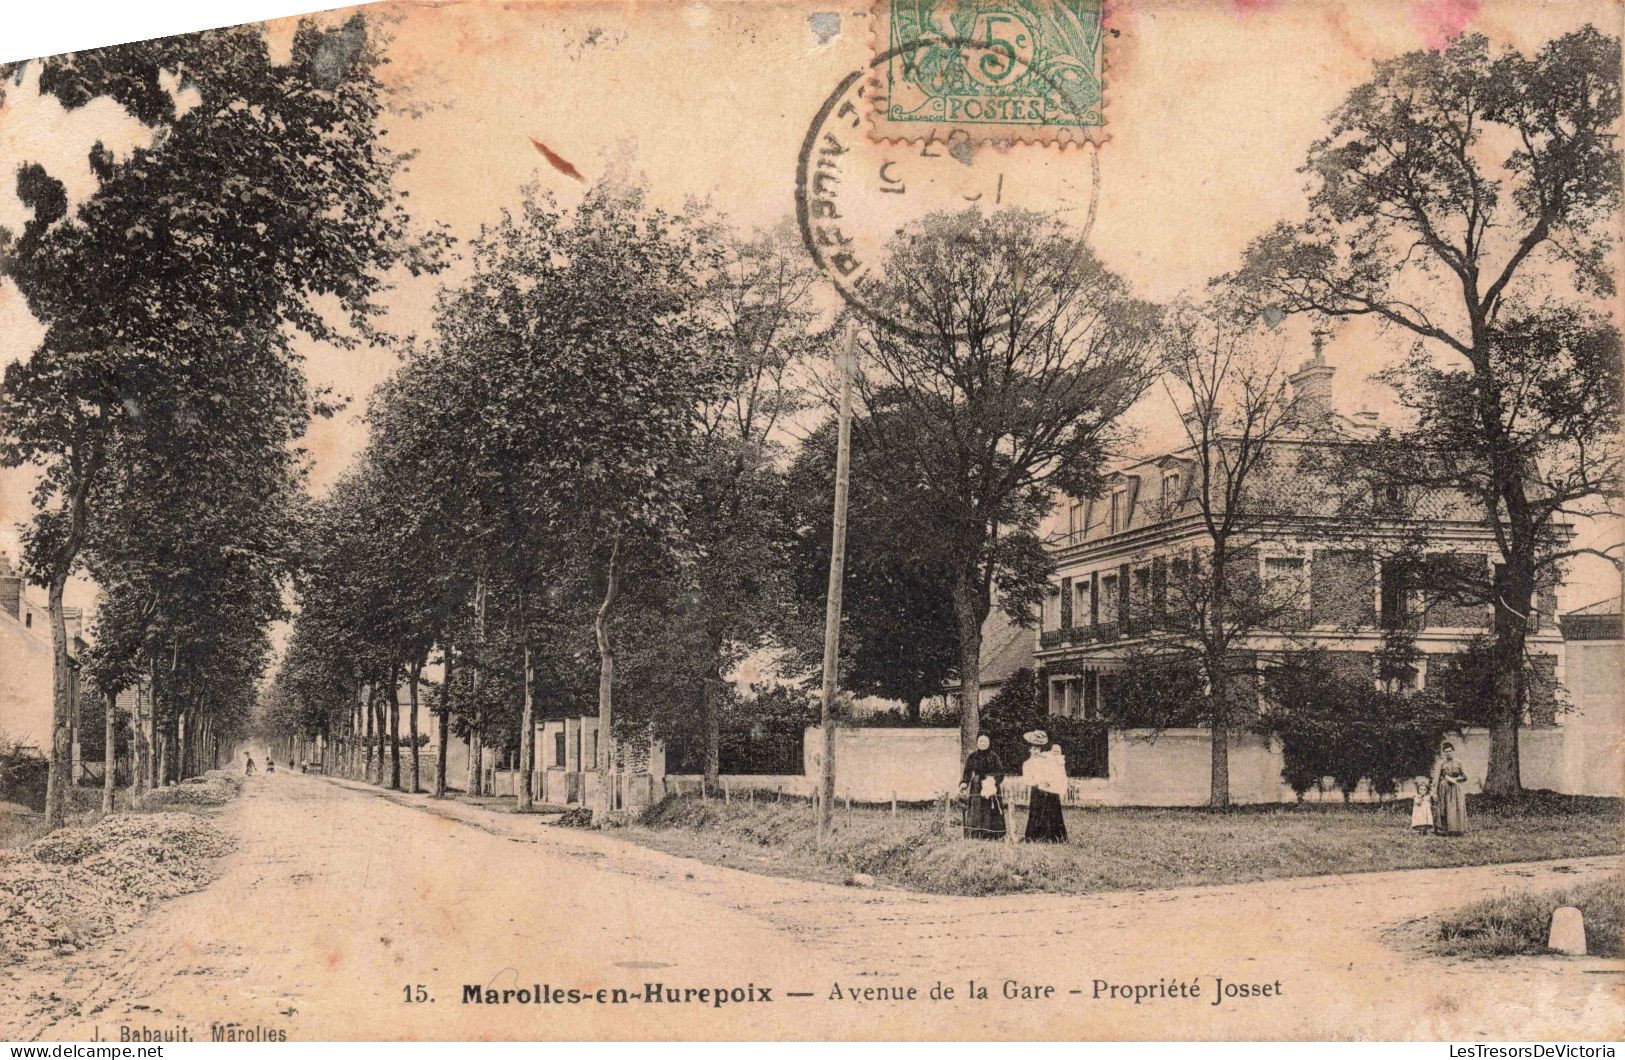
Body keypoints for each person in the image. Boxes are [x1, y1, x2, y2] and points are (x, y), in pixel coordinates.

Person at [1021, 730, 1068, 843]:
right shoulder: (1027, 763)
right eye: (1034, 749)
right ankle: (1034, 837)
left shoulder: (1046, 759)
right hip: (1036, 790)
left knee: (1052, 812)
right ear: (1030, 750)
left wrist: (1050, 781)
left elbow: (1056, 770)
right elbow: (1027, 779)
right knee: (1036, 812)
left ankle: (1054, 837)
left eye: (1038, 748)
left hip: (1049, 789)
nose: (1036, 751)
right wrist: (1038, 782)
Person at [959, 734, 1006, 840]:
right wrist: (964, 783)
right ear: (977, 743)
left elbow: (1001, 772)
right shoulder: (972, 757)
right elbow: (967, 772)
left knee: (990, 810)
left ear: (989, 743)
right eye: (981, 741)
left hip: (991, 787)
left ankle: (992, 834)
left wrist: (993, 780)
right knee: (977, 809)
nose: (983, 744)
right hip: (976, 786)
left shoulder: (994, 756)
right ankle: (976, 834)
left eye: (985, 741)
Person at [1434, 743, 1469, 835]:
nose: (1448, 753)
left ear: (1453, 751)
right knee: (1444, 807)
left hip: (1456, 787)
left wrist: (1457, 779)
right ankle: (1444, 829)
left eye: (1450, 751)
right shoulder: (1441, 764)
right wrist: (1434, 792)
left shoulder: (1459, 762)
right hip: (1444, 788)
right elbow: (1437, 778)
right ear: (1444, 753)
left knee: (1456, 807)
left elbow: (1465, 776)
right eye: (1446, 752)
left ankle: (1457, 829)